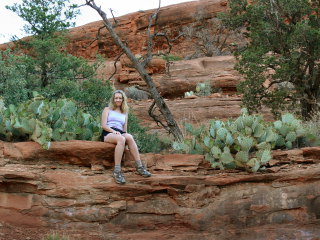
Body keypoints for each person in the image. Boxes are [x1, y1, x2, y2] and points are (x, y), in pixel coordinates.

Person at [100, 89, 151, 184]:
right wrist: (113, 131)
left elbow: (124, 130)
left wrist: (126, 144)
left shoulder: (125, 112)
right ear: (113, 99)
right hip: (108, 132)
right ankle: (117, 171)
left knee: (129, 137)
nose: (118, 100)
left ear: (123, 99)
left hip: (120, 133)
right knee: (121, 138)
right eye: (116, 98)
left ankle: (140, 167)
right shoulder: (107, 109)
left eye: (120, 98)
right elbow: (104, 125)